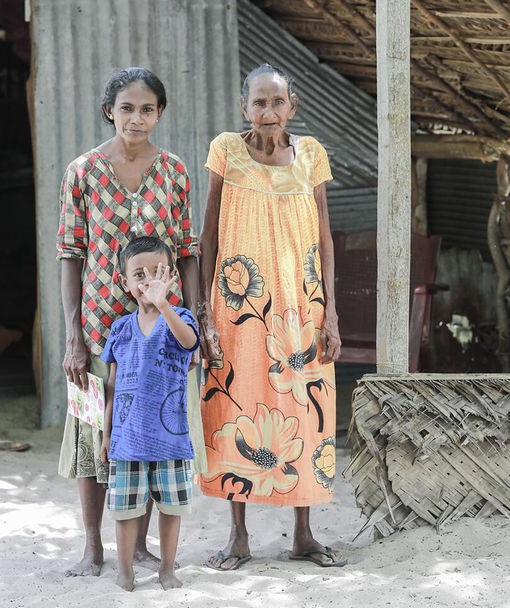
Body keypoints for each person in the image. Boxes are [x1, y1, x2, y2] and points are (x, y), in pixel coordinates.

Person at [56, 67, 204, 577]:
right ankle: (94, 548)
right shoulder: (82, 172)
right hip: (99, 325)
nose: (136, 118)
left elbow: (187, 250)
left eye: (147, 109)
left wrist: (196, 315)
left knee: (145, 430)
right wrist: (74, 337)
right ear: (109, 111)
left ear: (159, 113)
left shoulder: (175, 172)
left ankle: (138, 548)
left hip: (161, 333)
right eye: (126, 108)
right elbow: (70, 254)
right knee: (92, 432)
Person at [198, 64, 345, 569]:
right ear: (244, 108)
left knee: (306, 412)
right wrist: (204, 312)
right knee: (236, 410)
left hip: (303, 308)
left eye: (276, 102)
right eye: (258, 103)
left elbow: (324, 239)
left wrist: (332, 316)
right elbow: (209, 235)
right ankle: (237, 536)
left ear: (292, 106)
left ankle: (303, 533)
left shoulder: (312, 156)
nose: (267, 113)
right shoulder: (226, 150)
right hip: (237, 308)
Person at [101, 237, 199, 591]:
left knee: (171, 509)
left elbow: (188, 343)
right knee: (126, 512)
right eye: (138, 274)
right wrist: (106, 435)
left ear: (171, 275)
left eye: (156, 273)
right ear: (124, 282)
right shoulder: (120, 329)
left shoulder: (181, 318)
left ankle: (167, 569)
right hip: (126, 440)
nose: (147, 282)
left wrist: (164, 305)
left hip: (170, 441)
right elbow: (111, 387)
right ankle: (125, 570)